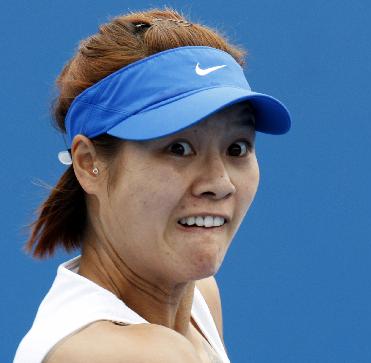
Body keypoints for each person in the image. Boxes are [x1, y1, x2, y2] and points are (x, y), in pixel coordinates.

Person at [14, 8, 290, 363]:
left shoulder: (200, 302)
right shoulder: (142, 354)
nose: (219, 183)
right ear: (88, 163)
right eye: (178, 148)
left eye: (237, 148)